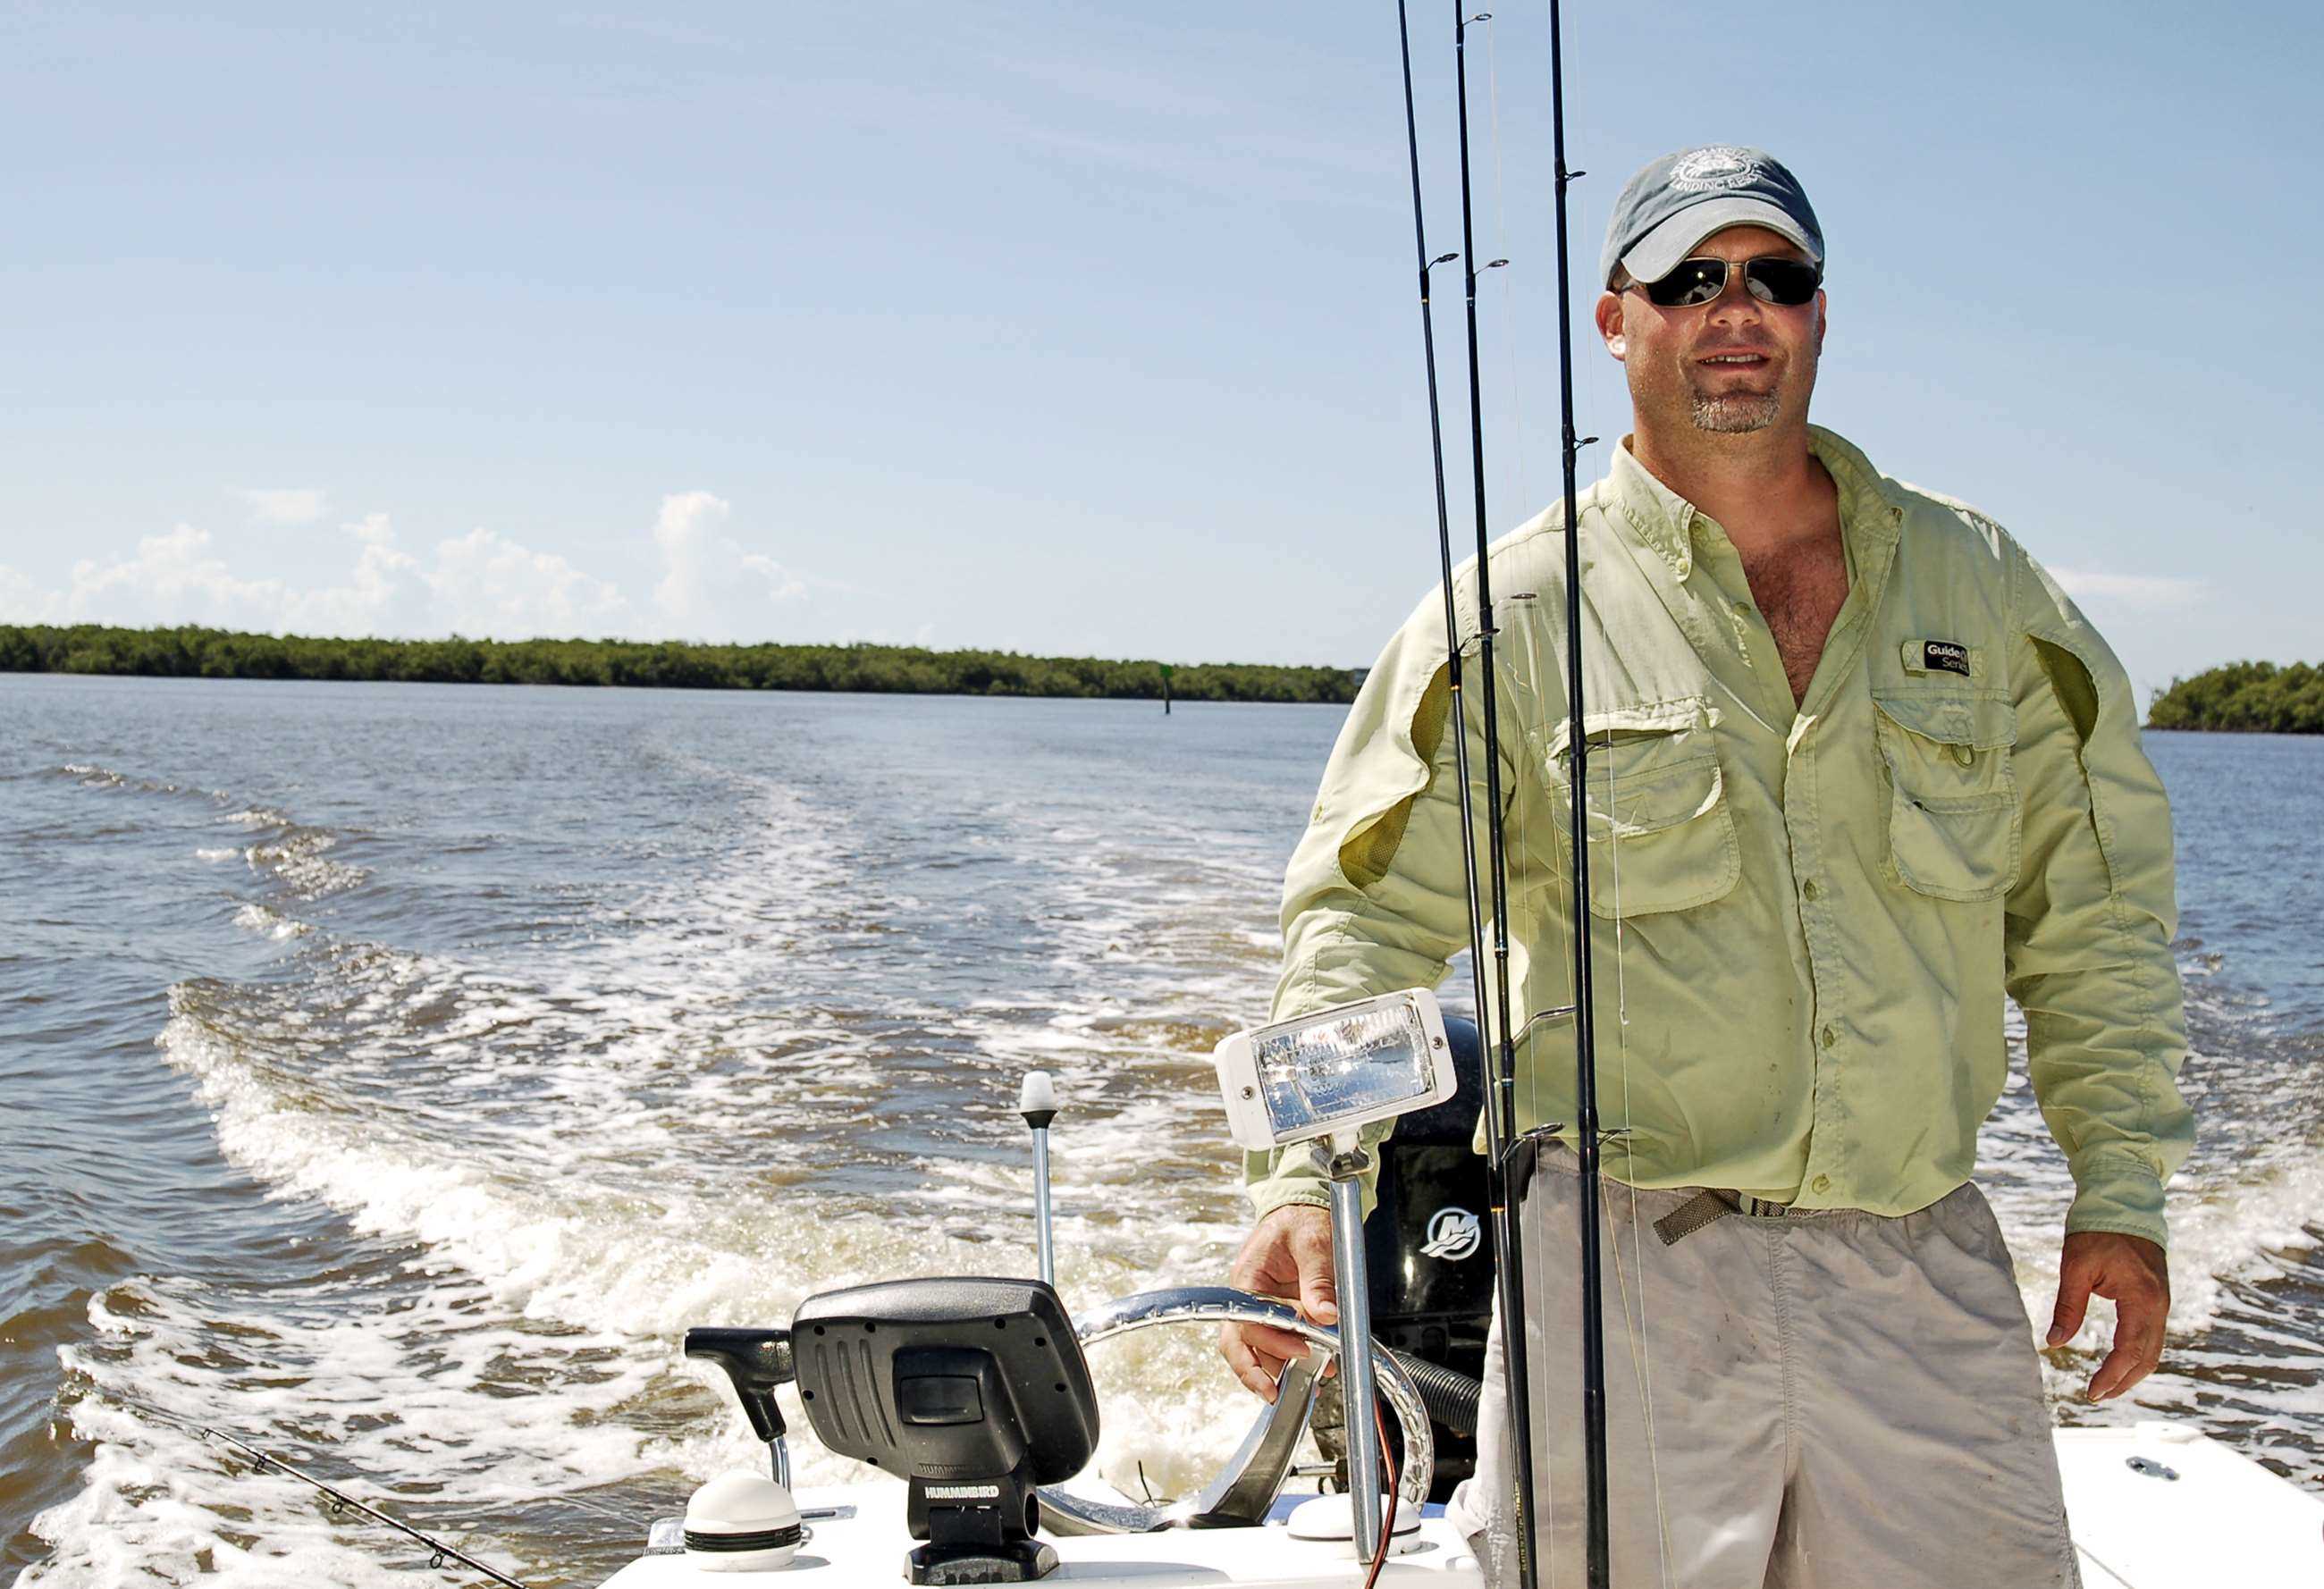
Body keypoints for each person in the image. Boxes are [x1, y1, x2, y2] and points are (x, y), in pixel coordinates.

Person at [1217, 146, 2192, 1588]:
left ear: (1818, 312)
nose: (1738, 311)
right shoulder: (1511, 617)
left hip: (1917, 1270)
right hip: (1622, 1272)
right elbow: (1363, 919)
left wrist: (2121, 1184)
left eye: (1774, 277)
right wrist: (1302, 1176)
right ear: (1619, 319)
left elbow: (2094, 912)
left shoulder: (1984, 591)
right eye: (1691, 280)